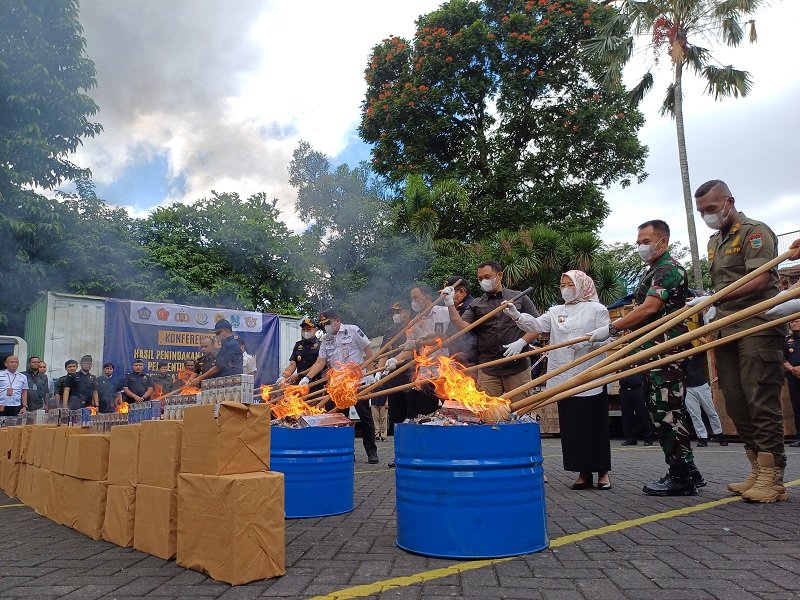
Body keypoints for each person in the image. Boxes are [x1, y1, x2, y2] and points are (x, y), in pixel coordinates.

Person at [588, 220, 703, 496]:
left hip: (666, 351)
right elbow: (642, 309)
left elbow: (650, 307)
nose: (641, 246)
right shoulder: (652, 270)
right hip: (652, 347)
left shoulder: (668, 269)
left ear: (662, 241)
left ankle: (680, 476)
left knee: (667, 411)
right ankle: (688, 469)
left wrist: (613, 327)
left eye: (646, 241)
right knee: (667, 409)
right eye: (638, 241)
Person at [694, 180, 786, 503]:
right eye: (701, 211)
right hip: (725, 328)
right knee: (735, 400)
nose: (707, 215)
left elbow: (760, 279)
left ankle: (772, 476)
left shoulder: (754, 232)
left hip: (756, 325)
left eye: (712, 209)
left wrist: (717, 297)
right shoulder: (713, 242)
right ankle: (756, 468)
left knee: (759, 397)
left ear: (729, 202)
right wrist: (710, 303)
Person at [505, 270, 613, 490]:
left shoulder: (597, 310)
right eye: (562, 284)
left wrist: (586, 343)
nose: (565, 288)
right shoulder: (556, 311)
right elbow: (535, 326)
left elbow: (608, 338)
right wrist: (516, 314)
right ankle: (582, 473)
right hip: (564, 376)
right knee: (573, 427)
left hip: (590, 374)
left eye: (569, 284)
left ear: (582, 285)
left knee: (596, 425)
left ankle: (603, 473)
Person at [443, 261, 539, 398]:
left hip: (517, 367)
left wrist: (522, 342)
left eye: (487, 277)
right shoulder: (476, 304)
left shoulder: (519, 298)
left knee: (521, 411)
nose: (483, 281)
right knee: (489, 413)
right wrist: (450, 304)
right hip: (488, 369)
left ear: (499, 276)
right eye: (480, 279)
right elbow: (461, 326)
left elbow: (538, 326)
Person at [302, 309, 379, 464]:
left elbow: (368, 352)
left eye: (328, 323)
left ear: (337, 320)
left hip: (357, 382)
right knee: (338, 419)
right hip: (337, 386)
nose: (327, 327)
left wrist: (371, 374)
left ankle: (372, 452)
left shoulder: (353, 330)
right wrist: (307, 377)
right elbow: (321, 361)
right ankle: (345, 451)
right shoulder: (326, 340)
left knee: (365, 417)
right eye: (324, 325)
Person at [392, 284, 451, 419]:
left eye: (416, 297)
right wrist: (395, 360)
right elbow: (409, 348)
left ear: (427, 297)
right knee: (424, 413)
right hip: (424, 373)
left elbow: (451, 337)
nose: (413, 302)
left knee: (451, 410)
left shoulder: (445, 312)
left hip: (445, 371)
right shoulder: (414, 322)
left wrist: (425, 340)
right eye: (411, 299)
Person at [379, 301, 412, 441]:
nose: (395, 315)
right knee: (396, 416)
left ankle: (413, 450)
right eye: (393, 313)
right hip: (393, 377)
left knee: (411, 415)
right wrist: (378, 374)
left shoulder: (414, 327)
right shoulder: (390, 332)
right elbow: (383, 354)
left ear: (408, 312)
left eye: (398, 312)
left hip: (410, 375)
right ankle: (399, 452)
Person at [684, 352, 727, 447]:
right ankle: (702, 438)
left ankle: (719, 434)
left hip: (702, 385)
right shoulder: (680, 355)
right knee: (695, 415)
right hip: (688, 388)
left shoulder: (698, 352)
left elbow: (706, 344)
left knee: (711, 412)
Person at [189, 320, 243, 385]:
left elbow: (217, 368)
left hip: (230, 383)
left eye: (218, 333)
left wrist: (199, 379)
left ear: (226, 331)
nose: (216, 335)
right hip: (228, 382)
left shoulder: (230, 345)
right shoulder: (228, 344)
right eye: (215, 333)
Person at [275, 318, 321, 386]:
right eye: (303, 329)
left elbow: (318, 365)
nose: (305, 331)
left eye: (308, 329)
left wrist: (300, 375)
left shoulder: (321, 345)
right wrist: (284, 376)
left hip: (315, 383)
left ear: (315, 330)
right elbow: (292, 364)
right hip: (300, 383)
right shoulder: (298, 345)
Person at [443, 275, 477, 365]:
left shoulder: (470, 306)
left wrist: (449, 303)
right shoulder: (457, 308)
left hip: (471, 359)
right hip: (459, 359)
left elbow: (459, 326)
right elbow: (449, 335)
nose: (445, 297)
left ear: (462, 291)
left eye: (448, 294)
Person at [618, 372, 655, 446]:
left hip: (637, 388)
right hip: (624, 389)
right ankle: (630, 438)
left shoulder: (637, 362)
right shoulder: (621, 361)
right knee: (626, 415)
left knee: (642, 413)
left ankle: (648, 438)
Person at [784, 318, 800, 448]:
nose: (793, 323)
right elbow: (781, 357)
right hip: (793, 376)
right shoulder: (787, 340)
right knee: (797, 406)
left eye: (797, 321)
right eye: (792, 322)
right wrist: (792, 369)